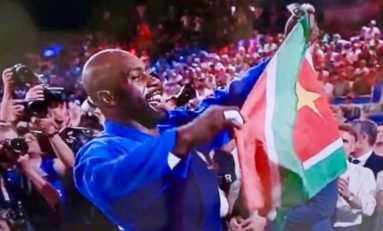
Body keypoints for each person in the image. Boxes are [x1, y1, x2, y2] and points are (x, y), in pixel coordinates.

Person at [74, 49, 268, 230]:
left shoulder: (172, 124)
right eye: (136, 77)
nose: (154, 81)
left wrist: (290, 46)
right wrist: (183, 139)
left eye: (148, 73)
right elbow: (113, 185)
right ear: (108, 98)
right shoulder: (99, 152)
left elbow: (235, 95)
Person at [334, 124, 376, 231]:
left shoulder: (364, 174)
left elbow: (369, 209)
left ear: (353, 147)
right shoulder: (316, 173)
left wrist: (349, 196)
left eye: (344, 141)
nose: (338, 144)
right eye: (335, 140)